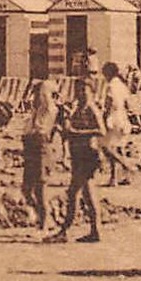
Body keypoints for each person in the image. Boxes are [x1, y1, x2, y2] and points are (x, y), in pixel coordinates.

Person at [45, 76, 103, 244]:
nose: (80, 93)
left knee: (76, 193)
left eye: (83, 90)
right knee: (84, 193)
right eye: (78, 90)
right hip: (78, 154)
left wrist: (75, 132)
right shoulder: (79, 108)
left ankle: (65, 231)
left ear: (91, 92)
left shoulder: (92, 109)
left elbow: (101, 131)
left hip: (88, 154)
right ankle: (94, 230)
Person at [21, 79, 61, 233]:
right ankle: (44, 218)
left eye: (38, 93)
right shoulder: (37, 111)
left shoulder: (49, 109)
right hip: (31, 149)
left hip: (40, 149)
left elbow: (40, 130)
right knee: (26, 189)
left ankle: (44, 223)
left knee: (40, 189)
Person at [99, 62, 135, 186]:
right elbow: (129, 104)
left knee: (107, 147)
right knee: (118, 147)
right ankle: (120, 178)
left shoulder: (110, 86)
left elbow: (108, 105)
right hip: (122, 116)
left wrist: (103, 119)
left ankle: (126, 166)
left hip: (113, 118)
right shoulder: (122, 85)